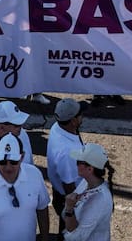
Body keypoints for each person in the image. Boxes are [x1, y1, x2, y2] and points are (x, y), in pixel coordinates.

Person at [47, 99, 88, 234]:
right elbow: (69, 186)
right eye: (80, 114)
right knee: (70, 232)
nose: (83, 116)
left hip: (60, 192)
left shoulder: (57, 127)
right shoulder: (68, 153)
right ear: (73, 121)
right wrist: (75, 209)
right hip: (70, 198)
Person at [62, 143, 114, 241]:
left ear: (90, 169)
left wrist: (69, 209)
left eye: (79, 162)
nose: (76, 164)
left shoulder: (99, 199)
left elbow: (76, 237)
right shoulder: (86, 182)